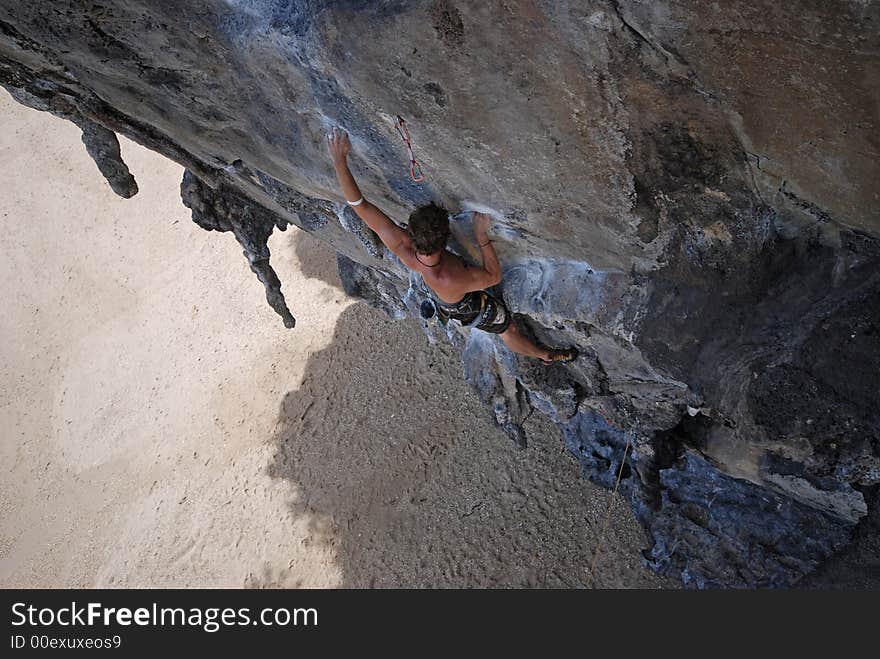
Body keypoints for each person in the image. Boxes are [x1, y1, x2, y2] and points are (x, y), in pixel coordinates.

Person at [327, 127, 577, 364]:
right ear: (447, 237)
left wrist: (340, 162)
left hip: (449, 292)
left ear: (411, 232)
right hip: (463, 305)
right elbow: (493, 276)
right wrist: (481, 236)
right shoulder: (451, 276)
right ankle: (542, 355)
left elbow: (360, 205)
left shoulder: (402, 246)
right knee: (507, 328)